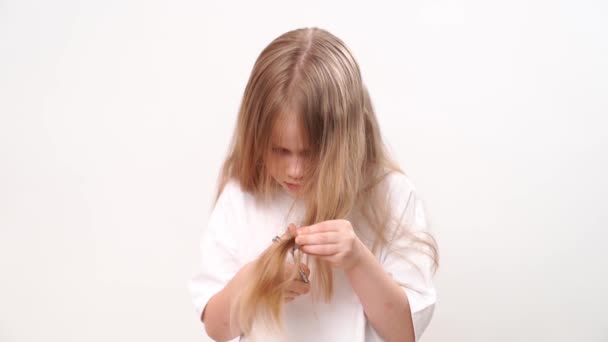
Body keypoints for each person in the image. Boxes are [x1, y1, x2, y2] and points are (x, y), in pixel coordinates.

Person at [189, 27, 438, 342]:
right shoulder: (243, 196)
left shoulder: (390, 195)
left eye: (311, 153)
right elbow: (217, 328)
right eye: (279, 150)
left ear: (345, 142)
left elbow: (404, 333)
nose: (294, 170)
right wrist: (257, 280)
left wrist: (358, 260)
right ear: (256, 138)